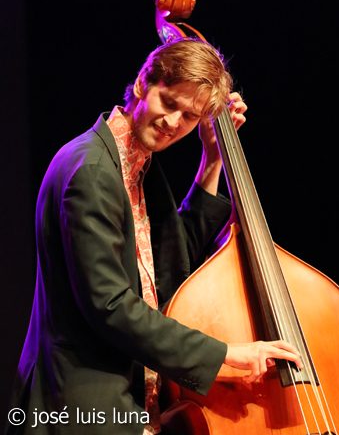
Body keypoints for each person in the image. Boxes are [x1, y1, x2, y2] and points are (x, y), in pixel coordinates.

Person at [6, 38, 302, 435]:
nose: (174, 122)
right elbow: (110, 305)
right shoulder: (92, 170)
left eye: (190, 116)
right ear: (143, 83)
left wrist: (213, 159)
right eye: (169, 102)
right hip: (82, 408)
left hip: (128, 407)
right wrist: (227, 354)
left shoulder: (137, 167)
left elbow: (169, 265)